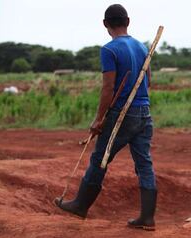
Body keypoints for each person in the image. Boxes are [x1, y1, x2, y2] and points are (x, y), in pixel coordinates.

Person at [55, 4, 157, 231]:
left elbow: (108, 87)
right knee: (144, 164)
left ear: (105, 24)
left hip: (122, 114)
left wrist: (98, 119)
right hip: (144, 113)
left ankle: (81, 205)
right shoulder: (142, 47)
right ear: (128, 21)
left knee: (100, 159)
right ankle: (148, 219)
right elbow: (148, 81)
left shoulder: (109, 49)